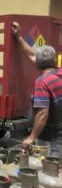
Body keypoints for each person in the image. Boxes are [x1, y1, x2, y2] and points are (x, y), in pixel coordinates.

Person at [12, 22, 62, 156]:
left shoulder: (42, 82)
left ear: (38, 64)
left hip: (54, 138)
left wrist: (32, 137)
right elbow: (33, 55)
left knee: (53, 169)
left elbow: (42, 114)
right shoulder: (58, 73)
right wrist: (19, 37)